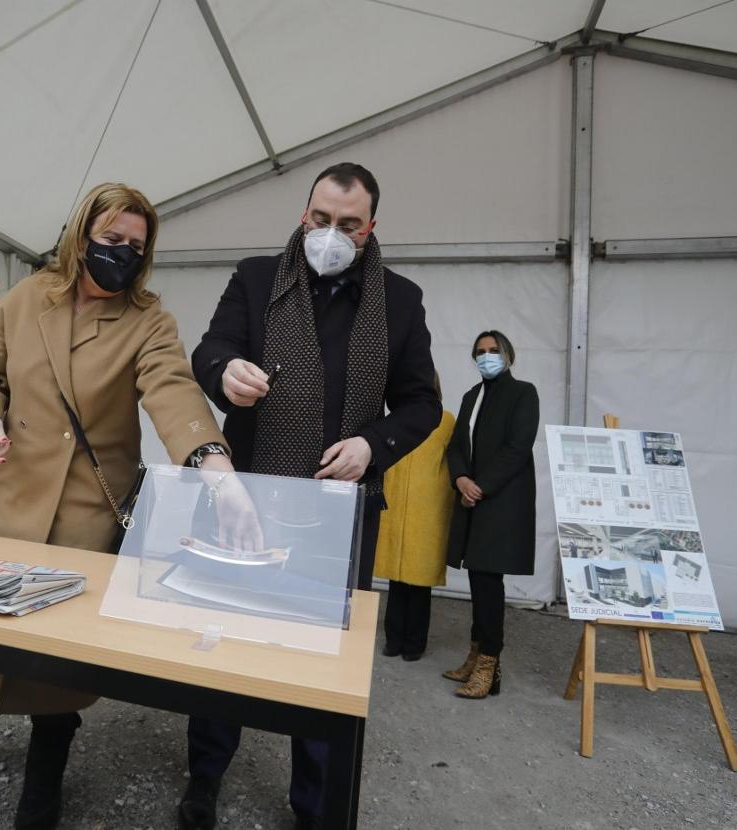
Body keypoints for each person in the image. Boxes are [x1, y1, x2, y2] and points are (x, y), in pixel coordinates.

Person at [0, 182, 253, 830]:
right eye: (111, 239)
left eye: (135, 246)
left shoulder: (149, 320)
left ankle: (46, 767)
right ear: (81, 233)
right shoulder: (26, 298)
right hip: (12, 497)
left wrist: (217, 471)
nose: (122, 254)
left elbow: (173, 393)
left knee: (57, 656)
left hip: (88, 510)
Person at [183, 163, 441, 830]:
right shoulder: (256, 278)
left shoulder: (402, 301)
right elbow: (210, 349)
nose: (330, 234)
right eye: (320, 219)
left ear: (371, 227)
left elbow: (423, 404)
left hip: (338, 513)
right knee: (222, 649)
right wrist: (224, 372)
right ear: (305, 213)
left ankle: (316, 805)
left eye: (348, 225)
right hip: (246, 498)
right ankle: (204, 779)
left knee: (323, 666)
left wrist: (373, 446)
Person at [443, 330, 540, 699]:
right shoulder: (472, 396)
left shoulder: (523, 393)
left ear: (507, 355)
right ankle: (476, 655)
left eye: (493, 350)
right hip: (472, 498)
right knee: (478, 580)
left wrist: (479, 487)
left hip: (499, 502)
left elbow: (518, 448)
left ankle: (489, 664)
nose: (486, 356)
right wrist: (461, 479)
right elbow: (456, 447)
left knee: (488, 582)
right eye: (480, 352)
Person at [373, 372, 454, 662]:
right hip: (395, 508)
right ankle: (393, 639)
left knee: (419, 583)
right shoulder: (390, 420)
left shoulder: (446, 422)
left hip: (427, 511)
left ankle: (415, 643)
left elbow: (453, 462)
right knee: (396, 579)